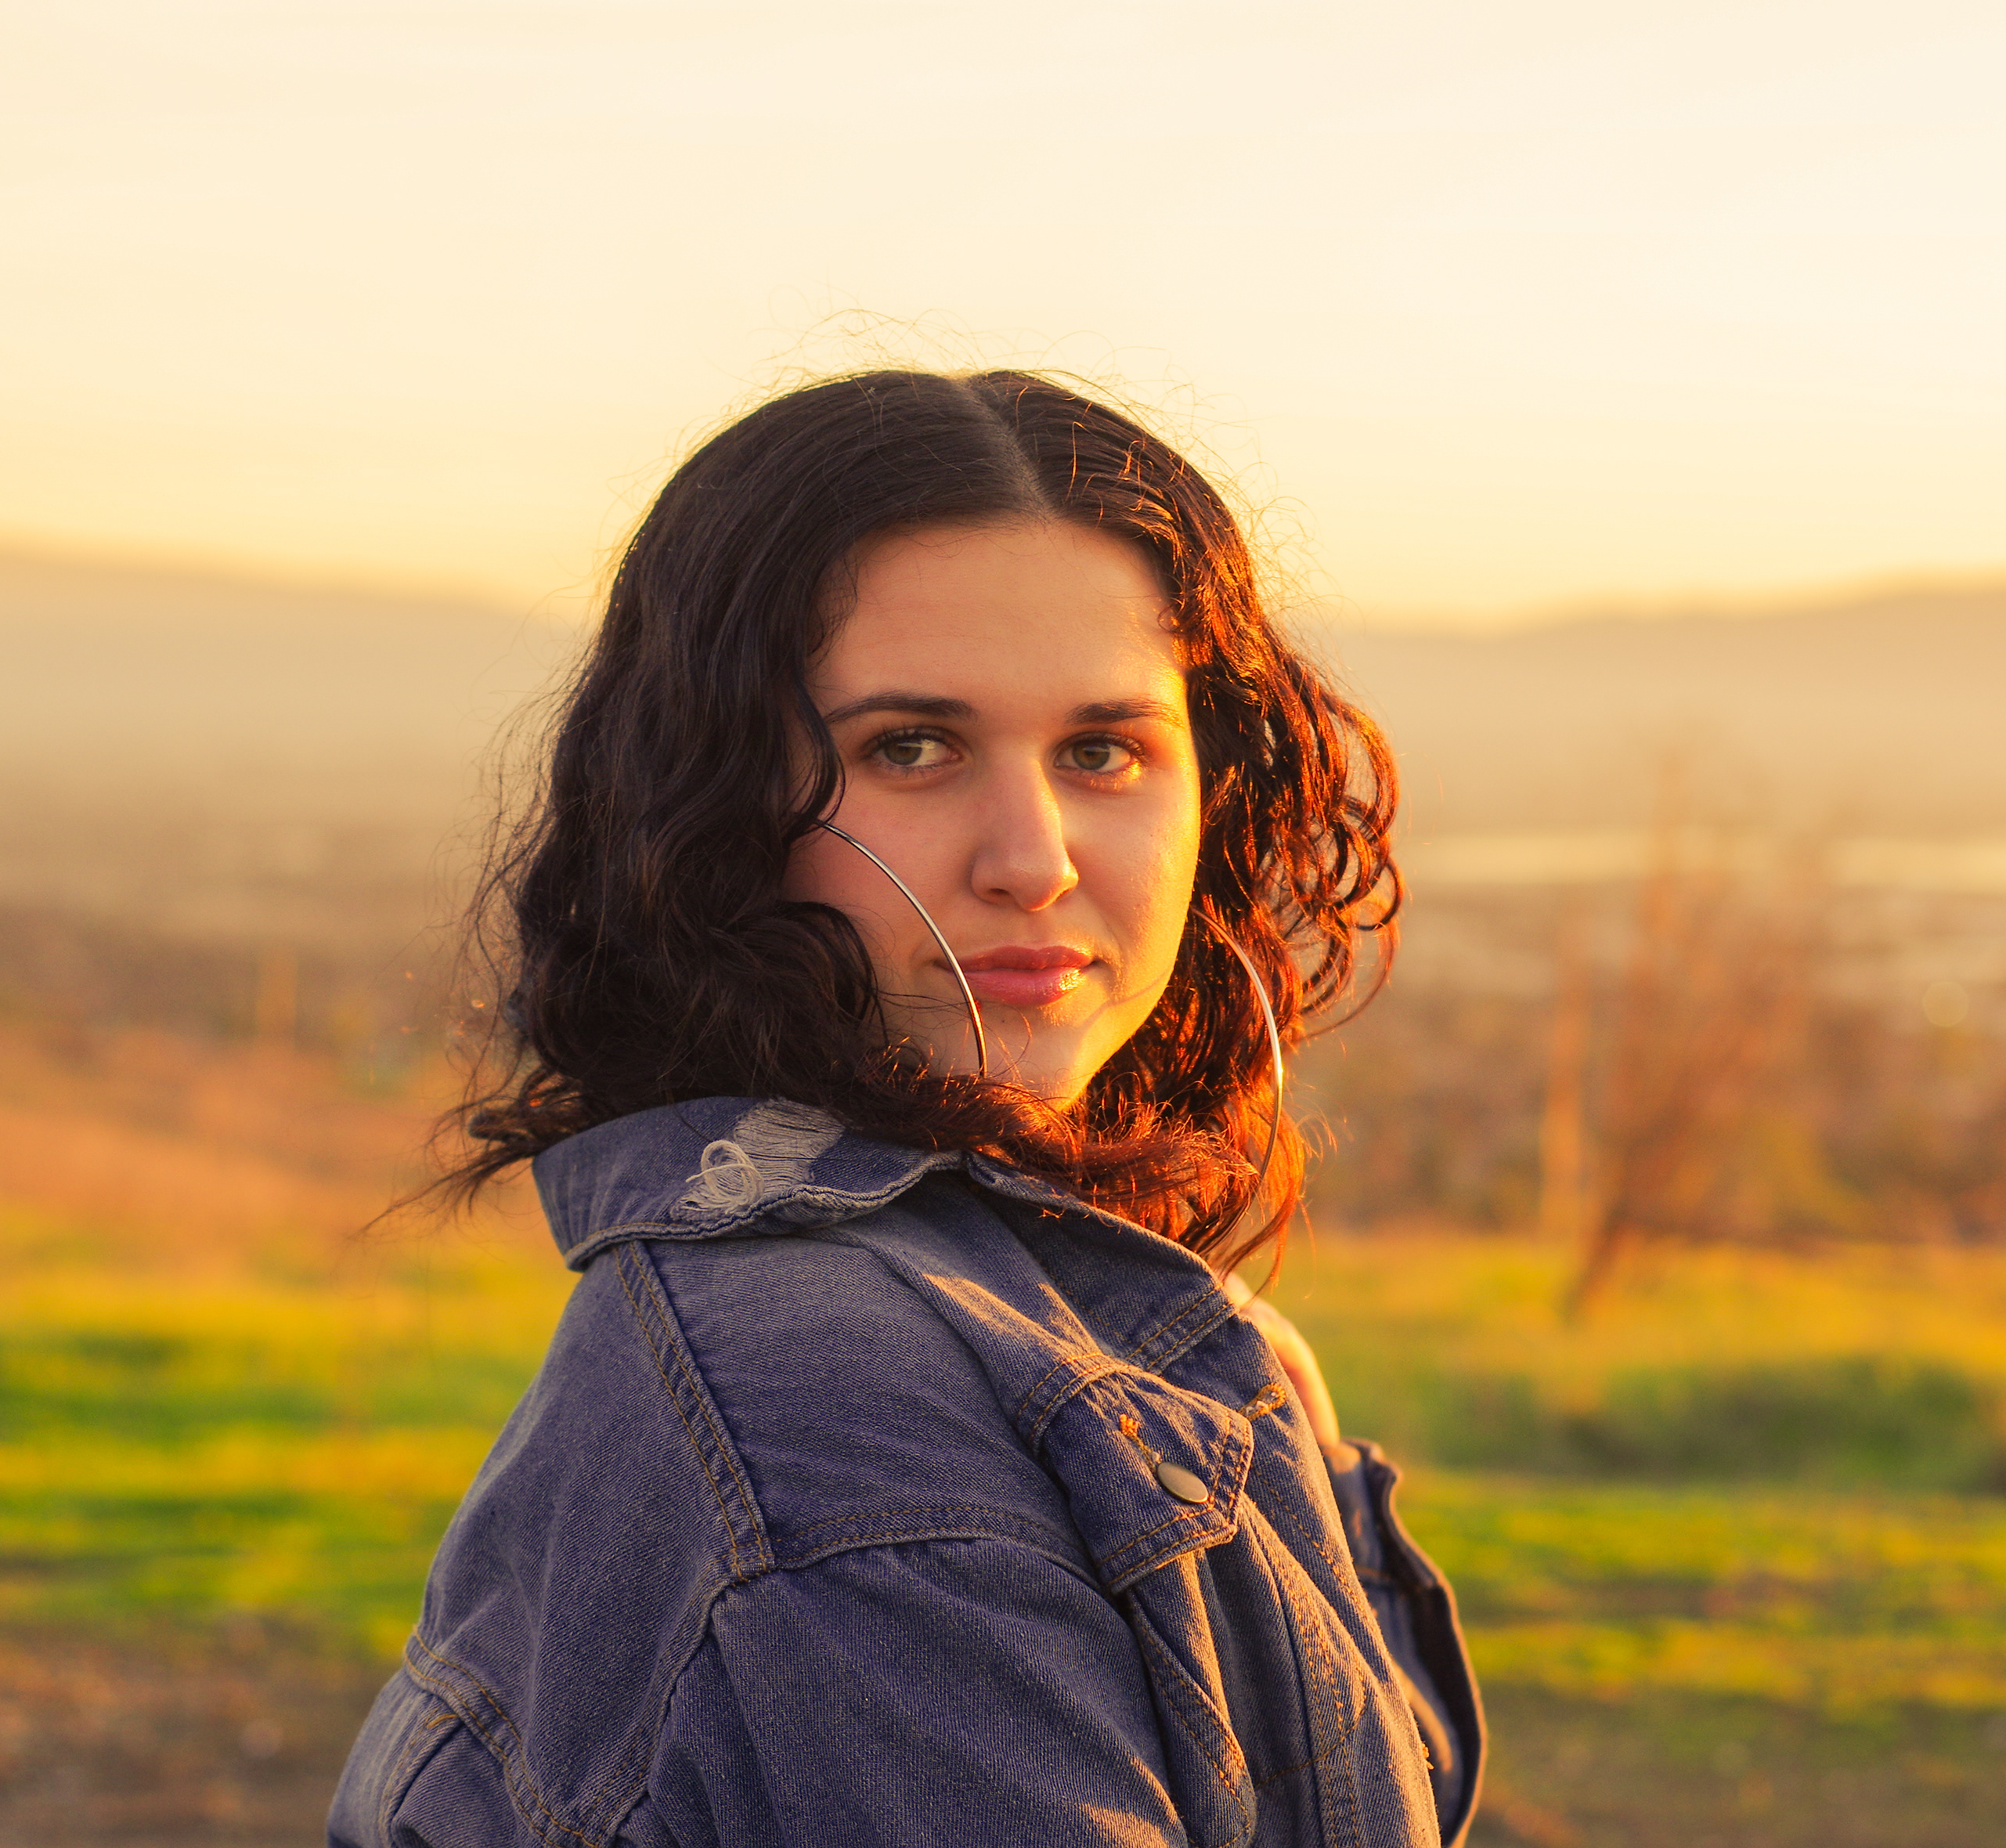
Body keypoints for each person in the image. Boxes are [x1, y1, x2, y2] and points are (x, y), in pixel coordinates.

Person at [328, 370, 1481, 1847]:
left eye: (1103, 750)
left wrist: (1284, 1441)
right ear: (715, 804)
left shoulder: (1008, 1314)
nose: (1033, 858)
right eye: (912, 748)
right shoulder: (832, 1413)